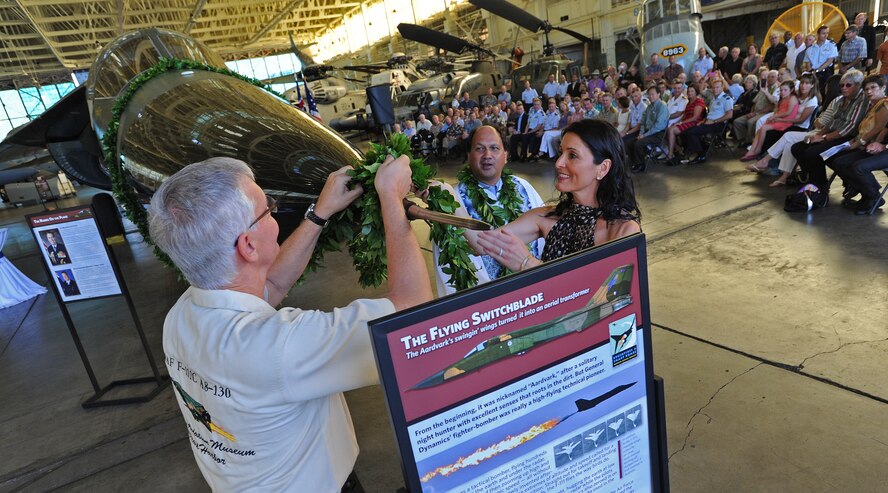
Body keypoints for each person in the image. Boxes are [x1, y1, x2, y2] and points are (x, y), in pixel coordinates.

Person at [150, 156, 432, 491]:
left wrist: (319, 214)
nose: (273, 212)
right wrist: (391, 197)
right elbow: (413, 311)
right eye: (267, 208)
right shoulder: (280, 346)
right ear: (248, 245)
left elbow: (271, 286)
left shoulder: (184, 312)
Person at [474, 119, 641, 269]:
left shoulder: (622, 231)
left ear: (603, 168)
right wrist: (451, 199)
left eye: (573, 156)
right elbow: (480, 244)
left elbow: (601, 296)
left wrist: (528, 264)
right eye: (561, 153)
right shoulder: (546, 217)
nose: (559, 162)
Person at [428, 126, 545, 295]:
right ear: (468, 156)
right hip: (487, 304)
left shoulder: (524, 187)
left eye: (494, 148)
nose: (487, 155)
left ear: (506, 155)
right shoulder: (451, 201)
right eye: (479, 148)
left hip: (532, 291)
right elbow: (451, 265)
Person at [790, 69, 868, 192]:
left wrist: (824, 138)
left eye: (848, 85)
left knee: (813, 152)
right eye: (841, 85)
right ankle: (813, 179)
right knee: (798, 148)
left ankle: (820, 186)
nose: (843, 88)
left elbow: (850, 127)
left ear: (858, 86)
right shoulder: (841, 99)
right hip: (835, 134)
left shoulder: (862, 100)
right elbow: (831, 122)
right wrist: (818, 134)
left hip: (849, 137)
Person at [821, 75, 888, 208]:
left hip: (881, 149)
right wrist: (856, 142)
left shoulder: (884, 104)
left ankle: (873, 196)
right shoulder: (873, 106)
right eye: (866, 89)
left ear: (883, 88)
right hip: (871, 146)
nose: (869, 91)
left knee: (859, 167)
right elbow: (882, 128)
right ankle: (867, 192)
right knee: (838, 161)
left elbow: (880, 128)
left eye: (873, 88)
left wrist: (878, 144)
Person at [741, 81, 800, 161]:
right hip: (779, 119)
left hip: (785, 121)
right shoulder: (783, 99)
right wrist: (774, 116)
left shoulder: (792, 98)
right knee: (760, 130)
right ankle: (752, 150)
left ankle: (758, 148)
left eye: (785, 90)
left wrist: (775, 116)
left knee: (764, 128)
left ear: (791, 89)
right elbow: (779, 110)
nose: (783, 92)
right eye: (781, 90)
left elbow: (788, 112)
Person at [682, 78, 734, 164]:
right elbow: (710, 113)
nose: (715, 89)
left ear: (722, 87)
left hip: (717, 124)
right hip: (708, 122)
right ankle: (703, 148)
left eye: (717, 87)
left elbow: (729, 115)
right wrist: (703, 120)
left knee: (692, 132)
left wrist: (714, 122)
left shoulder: (727, 99)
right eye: (713, 87)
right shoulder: (713, 99)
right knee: (687, 131)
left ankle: (701, 156)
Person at [629, 85, 669, 172]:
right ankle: (636, 162)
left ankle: (641, 165)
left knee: (638, 144)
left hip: (658, 134)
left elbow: (658, 126)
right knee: (630, 141)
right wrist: (641, 134)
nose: (651, 97)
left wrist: (644, 135)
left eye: (653, 94)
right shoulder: (649, 107)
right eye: (649, 95)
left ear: (658, 94)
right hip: (647, 132)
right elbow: (643, 122)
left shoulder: (662, 106)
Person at [665, 85, 706, 165]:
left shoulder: (699, 101)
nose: (690, 93)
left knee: (671, 130)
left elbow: (695, 117)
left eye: (692, 91)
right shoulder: (689, 102)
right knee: (668, 129)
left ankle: (670, 154)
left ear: (696, 92)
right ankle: (678, 149)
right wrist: (679, 121)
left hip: (694, 122)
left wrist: (682, 123)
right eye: (689, 91)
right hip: (687, 121)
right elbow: (684, 115)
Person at [806, 25, 838, 93]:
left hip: (825, 72)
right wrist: (811, 72)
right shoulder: (810, 48)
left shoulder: (831, 45)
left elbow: (830, 60)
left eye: (827, 33)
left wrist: (817, 70)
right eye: (823, 33)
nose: (825, 35)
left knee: (825, 93)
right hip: (813, 73)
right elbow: (807, 63)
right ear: (818, 34)